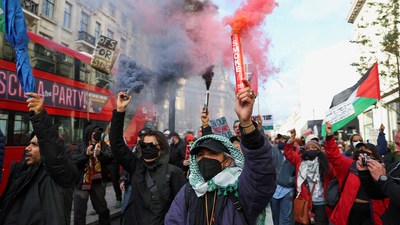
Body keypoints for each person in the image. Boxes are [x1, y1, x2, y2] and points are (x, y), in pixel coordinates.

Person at [165, 79, 277, 225]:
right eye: (200, 155)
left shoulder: (240, 189)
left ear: (228, 160)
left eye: (212, 154)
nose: (204, 158)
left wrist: (247, 123)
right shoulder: (189, 190)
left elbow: (262, 173)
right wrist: (205, 125)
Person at [0, 93, 78, 224]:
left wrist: (40, 116)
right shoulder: (24, 172)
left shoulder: (60, 176)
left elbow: (55, 157)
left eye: (34, 145)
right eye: (29, 143)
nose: (27, 148)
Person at [111, 92, 187, 224]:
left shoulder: (175, 173)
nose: (147, 148)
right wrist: (120, 110)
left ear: (161, 147)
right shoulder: (136, 166)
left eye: (152, 145)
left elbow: (181, 208)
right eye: (143, 145)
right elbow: (117, 144)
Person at [324, 122, 386, 225]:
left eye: (366, 149)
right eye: (359, 148)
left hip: (372, 213)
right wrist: (330, 135)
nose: (362, 150)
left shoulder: (380, 168)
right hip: (351, 212)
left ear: (373, 153)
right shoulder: (349, 165)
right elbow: (334, 156)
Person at [285, 129, 334, 225]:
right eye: (308, 148)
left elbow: (334, 156)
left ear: (319, 150)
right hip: (305, 202)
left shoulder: (326, 163)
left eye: (313, 147)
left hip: (322, 203)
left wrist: (329, 135)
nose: (311, 149)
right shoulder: (299, 160)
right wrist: (291, 138)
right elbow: (288, 153)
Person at [71, 125, 114, 225]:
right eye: (95, 133)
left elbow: (111, 158)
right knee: (79, 213)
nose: (97, 135)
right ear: (89, 134)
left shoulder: (103, 146)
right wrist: (85, 155)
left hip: (97, 183)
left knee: (103, 210)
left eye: (99, 132)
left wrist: (100, 154)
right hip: (82, 183)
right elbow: (74, 160)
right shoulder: (80, 146)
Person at [358, 129, 400, 225]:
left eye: (399, 145)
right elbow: (378, 194)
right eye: (395, 144)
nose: (396, 149)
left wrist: (383, 178)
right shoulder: (395, 167)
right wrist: (365, 174)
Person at [271, 132, 296, 225]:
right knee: (275, 218)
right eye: (280, 139)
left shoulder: (294, 155)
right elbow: (264, 145)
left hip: (287, 191)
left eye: (284, 139)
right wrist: (260, 126)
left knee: (286, 219)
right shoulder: (274, 151)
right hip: (274, 192)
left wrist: (290, 180)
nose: (281, 141)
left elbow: (299, 173)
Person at [102, 122, 123, 209]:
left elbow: (122, 148)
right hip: (104, 161)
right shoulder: (103, 135)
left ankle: (119, 199)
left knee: (115, 181)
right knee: (102, 183)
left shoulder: (119, 136)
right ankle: (99, 202)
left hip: (114, 162)